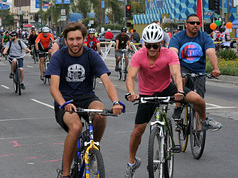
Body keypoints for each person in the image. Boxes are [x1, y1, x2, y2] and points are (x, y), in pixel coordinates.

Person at [125, 23, 222, 178]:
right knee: (138, 131)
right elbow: (130, 77)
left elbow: (176, 75)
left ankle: (203, 121)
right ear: (144, 44)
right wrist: (131, 93)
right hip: (147, 93)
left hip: (167, 88)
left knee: (198, 100)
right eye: (148, 46)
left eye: (155, 46)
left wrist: (180, 91)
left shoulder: (169, 54)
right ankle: (131, 163)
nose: (151, 49)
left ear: (161, 44)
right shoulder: (139, 56)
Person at [45, 22, 124, 178]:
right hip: (66, 101)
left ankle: (94, 148)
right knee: (75, 128)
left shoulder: (91, 55)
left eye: (79, 39)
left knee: (100, 113)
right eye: (71, 39)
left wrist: (115, 102)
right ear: (66, 40)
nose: (75, 43)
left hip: (87, 97)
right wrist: (64, 104)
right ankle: (66, 174)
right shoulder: (59, 57)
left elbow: (107, 82)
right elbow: (54, 87)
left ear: (84, 39)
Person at [169, 14, 220, 119]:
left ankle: (199, 128)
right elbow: (173, 52)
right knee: (180, 77)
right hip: (182, 68)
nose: (195, 25)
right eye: (192, 23)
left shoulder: (204, 37)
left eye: (198, 23)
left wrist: (216, 68)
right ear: (186, 25)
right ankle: (178, 108)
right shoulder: (178, 37)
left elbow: (211, 52)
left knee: (199, 102)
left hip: (199, 71)